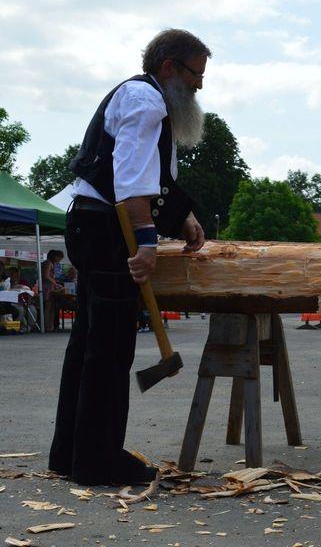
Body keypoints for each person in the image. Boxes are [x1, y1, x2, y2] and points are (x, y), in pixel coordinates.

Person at [50, 29, 211, 486]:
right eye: (196, 74)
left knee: (86, 345)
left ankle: (71, 453)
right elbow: (132, 183)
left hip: (92, 223)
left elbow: (151, 178)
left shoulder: (137, 96)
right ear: (169, 68)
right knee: (108, 351)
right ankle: (99, 461)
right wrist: (145, 246)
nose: (200, 85)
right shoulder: (147, 102)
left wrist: (184, 217)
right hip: (108, 230)